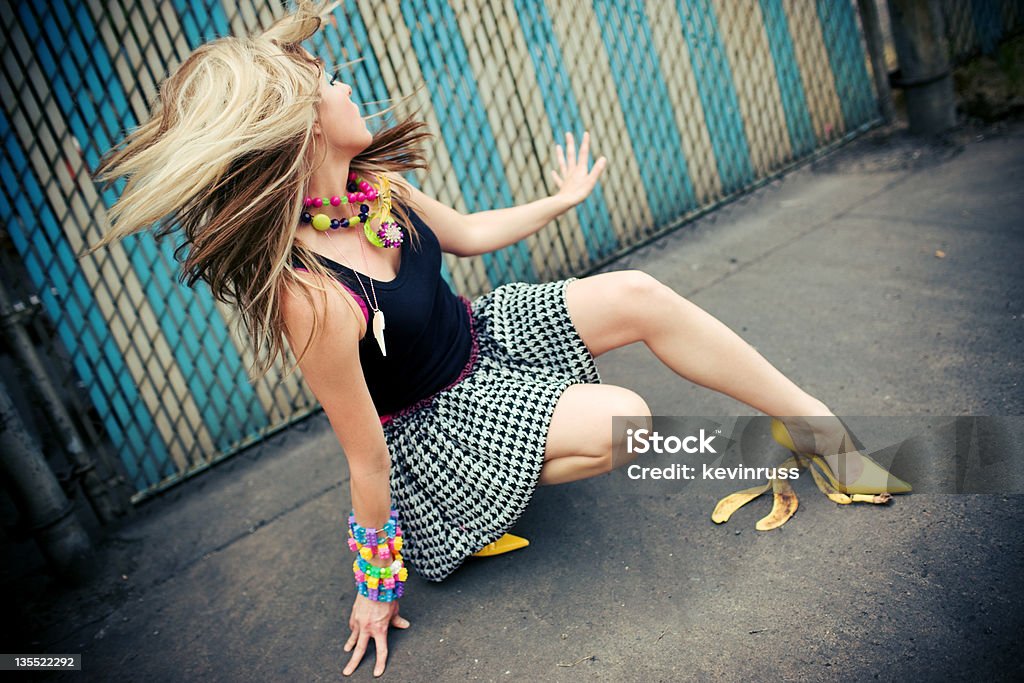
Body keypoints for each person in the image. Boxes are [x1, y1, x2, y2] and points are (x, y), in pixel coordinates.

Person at [90, 1, 910, 677]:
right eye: (329, 82)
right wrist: (376, 582)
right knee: (626, 420)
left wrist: (561, 200)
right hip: (433, 427)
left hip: (485, 337)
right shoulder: (310, 296)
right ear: (303, 129)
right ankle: (462, 513)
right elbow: (366, 456)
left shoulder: (380, 188)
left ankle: (819, 431)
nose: (346, 86)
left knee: (637, 292)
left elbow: (473, 234)